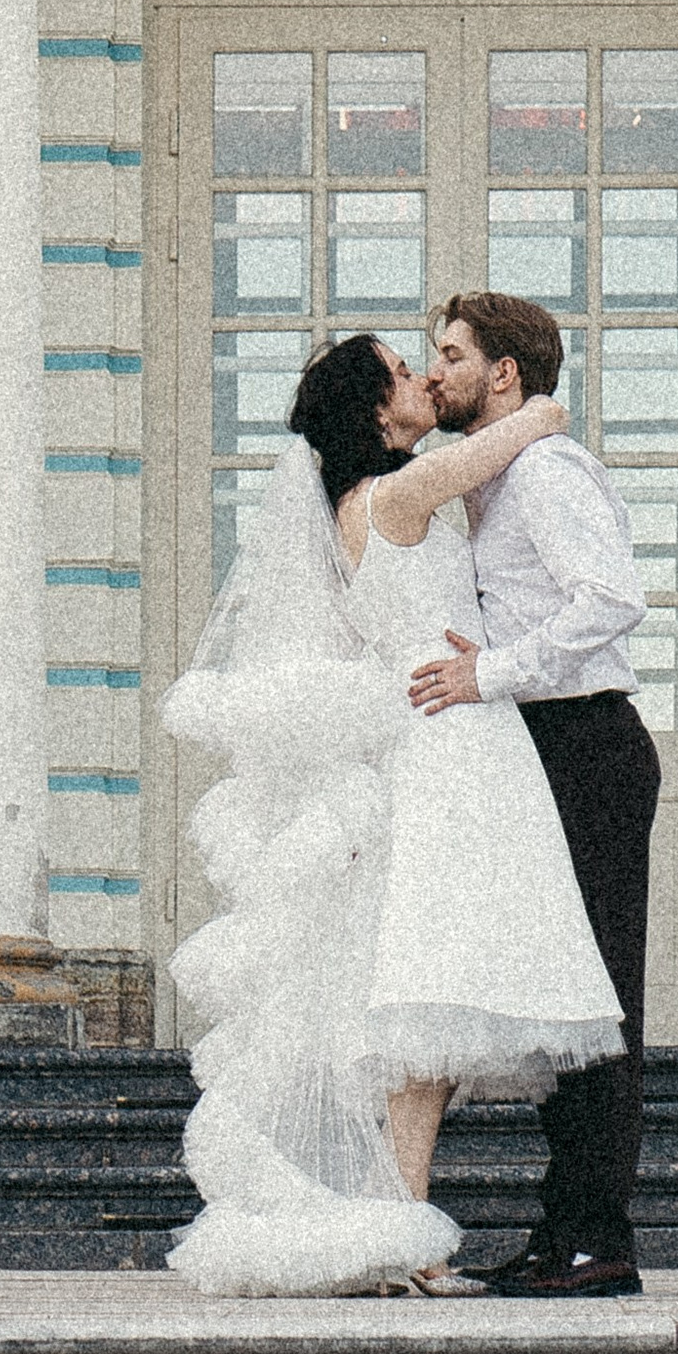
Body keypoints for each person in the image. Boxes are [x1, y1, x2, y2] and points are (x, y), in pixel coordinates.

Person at [161, 330, 622, 1298]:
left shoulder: (366, 501)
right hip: (451, 748)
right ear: (377, 412)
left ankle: (406, 1235)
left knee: (429, 1018)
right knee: (425, 1006)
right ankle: (406, 1241)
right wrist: (539, 407)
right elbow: (501, 445)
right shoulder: (394, 494)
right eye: (404, 373)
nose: (421, 377)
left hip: (453, 739)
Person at [408, 291, 662, 1298]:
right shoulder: (495, 475)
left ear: (503, 374)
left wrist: (492, 672)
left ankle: (597, 1238)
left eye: (451, 355)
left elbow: (612, 601)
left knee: (598, 1003)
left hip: (587, 744)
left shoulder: (546, 472)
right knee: (563, 996)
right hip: (542, 746)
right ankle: (565, 1233)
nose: (435, 372)